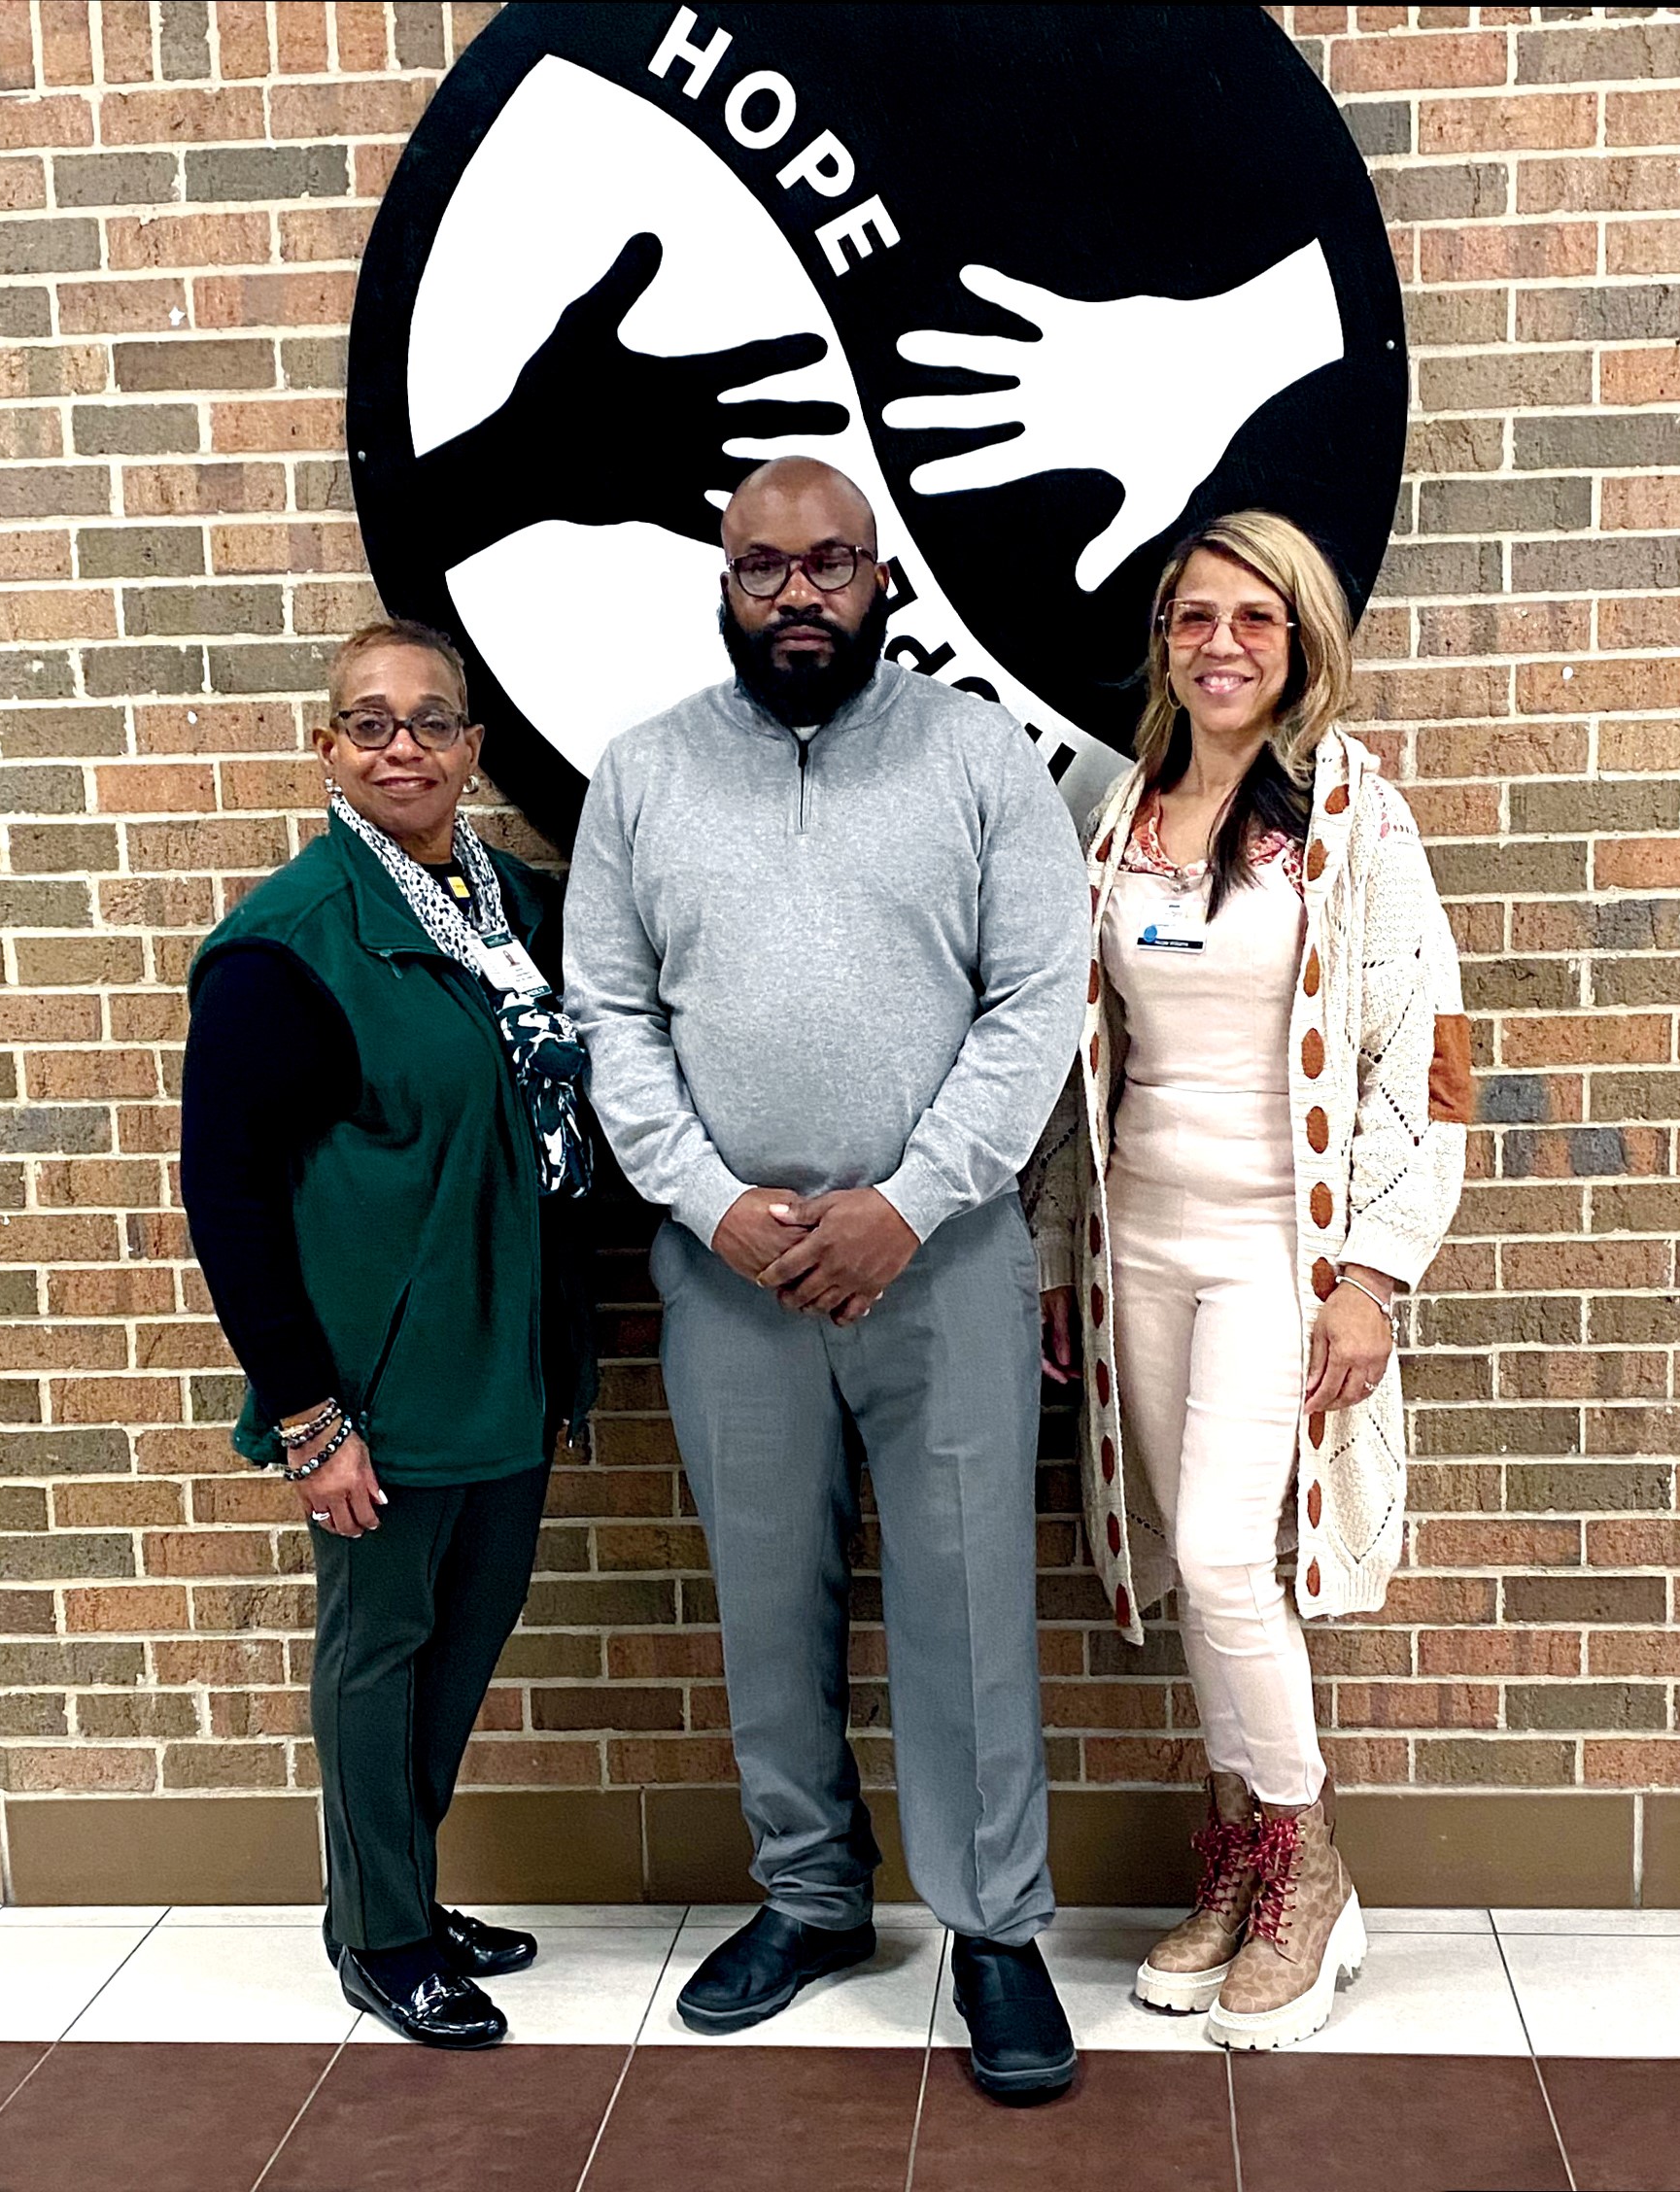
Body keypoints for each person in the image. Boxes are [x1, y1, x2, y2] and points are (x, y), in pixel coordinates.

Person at [564, 457, 1089, 2098]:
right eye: (763, 568)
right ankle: (808, 1899)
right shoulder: (643, 775)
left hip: (939, 1266)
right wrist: (715, 1204)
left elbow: (1036, 1001)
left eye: (831, 565)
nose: (798, 593)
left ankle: (992, 1935)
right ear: (722, 584)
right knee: (762, 1606)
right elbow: (610, 1017)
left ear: (881, 582)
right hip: (726, 1276)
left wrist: (911, 1202)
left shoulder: (977, 757)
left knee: (966, 1609)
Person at [1027, 511, 1470, 2051]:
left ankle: (1308, 1869)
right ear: (1164, 640)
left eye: (1254, 621)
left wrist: (1376, 1279)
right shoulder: (1119, 814)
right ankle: (1234, 1853)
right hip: (1135, 1242)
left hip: (1279, 1252)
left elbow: (1420, 1059)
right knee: (1173, 1559)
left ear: (1300, 645)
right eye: (1192, 617)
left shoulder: (1355, 814)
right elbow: (1083, 1072)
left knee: (1226, 1560)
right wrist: (1052, 1263)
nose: (1220, 645)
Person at [180, 619, 597, 2049]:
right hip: (379, 1387)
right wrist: (308, 1415)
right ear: (327, 750)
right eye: (368, 722)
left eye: (429, 721)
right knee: (378, 1655)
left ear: (473, 749)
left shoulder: (513, 916)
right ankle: (382, 1936)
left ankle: (395, 1890)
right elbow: (225, 1196)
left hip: (507, 1367)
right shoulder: (290, 947)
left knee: (460, 1646)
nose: (400, 744)